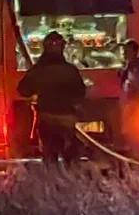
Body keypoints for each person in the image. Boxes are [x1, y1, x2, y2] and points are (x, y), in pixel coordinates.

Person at [17, 31, 87, 166]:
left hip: (46, 117)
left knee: (49, 155)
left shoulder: (38, 70)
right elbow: (80, 93)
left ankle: (53, 177)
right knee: (70, 156)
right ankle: (71, 174)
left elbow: (23, 90)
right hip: (67, 117)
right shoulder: (70, 70)